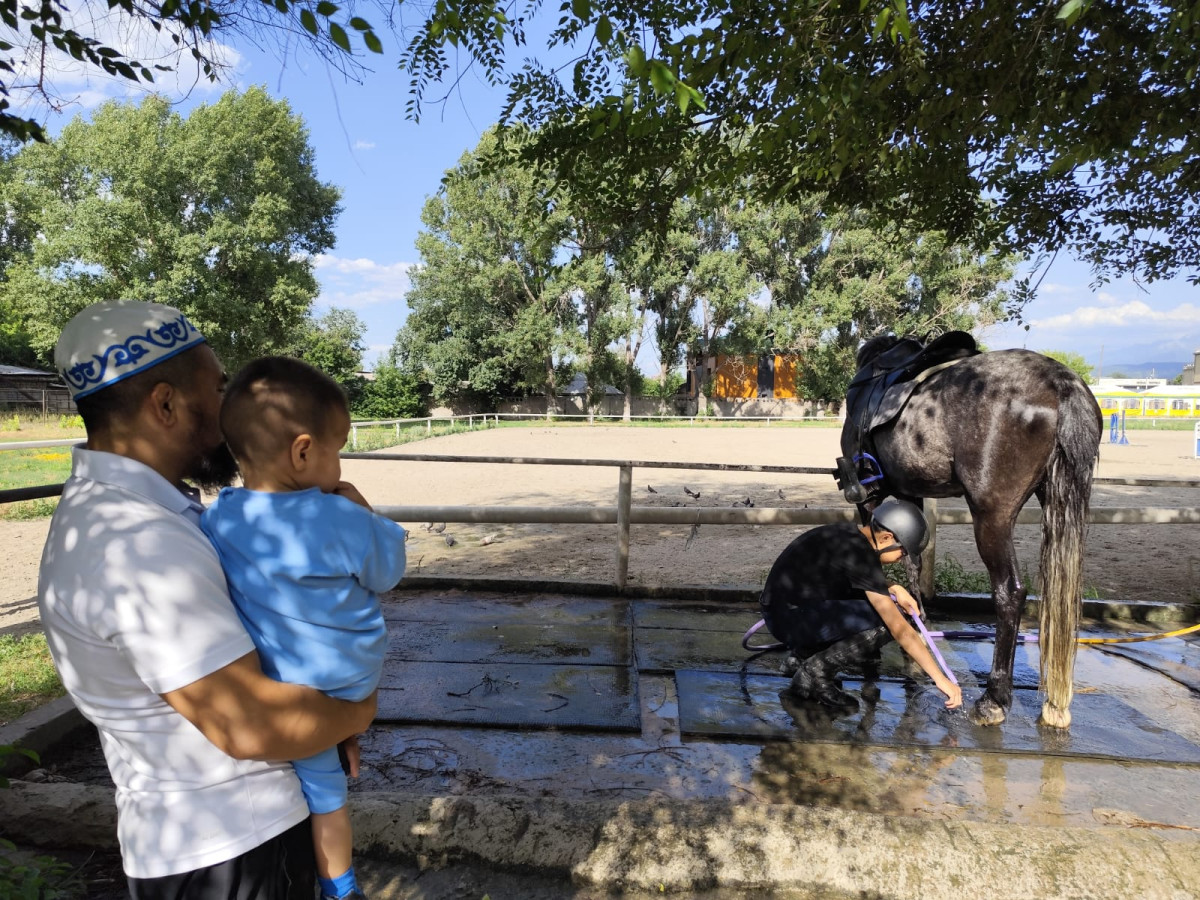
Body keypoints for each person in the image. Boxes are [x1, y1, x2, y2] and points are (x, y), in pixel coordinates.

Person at [39, 300, 377, 898]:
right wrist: (357, 709)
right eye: (218, 389)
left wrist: (316, 720)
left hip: (212, 840)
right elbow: (249, 725)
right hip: (233, 849)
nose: (230, 409)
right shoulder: (136, 545)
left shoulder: (139, 514)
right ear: (165, 404)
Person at [200, 356, 407, 900]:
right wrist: (370, 516)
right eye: (337, 449)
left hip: (282, 682)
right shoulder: (340, 515)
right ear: (303, 450)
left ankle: (338, 885)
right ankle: (341, 887)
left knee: (319, 790)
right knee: (331, 799)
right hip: (348, 679)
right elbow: (387, 574)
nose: (339, 463)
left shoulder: (218, 517)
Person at [759, 498, 963, 713]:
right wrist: (940, 679)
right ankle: (816, 671)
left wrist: (894, 587)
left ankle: (800, 658)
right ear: (887, 537)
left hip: (780, 612)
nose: (902, 559)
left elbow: (852, 577)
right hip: (790, 621)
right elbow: (901, 630)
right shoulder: (861, 556)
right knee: (887, 621)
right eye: (903, 553)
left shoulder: (848, 537)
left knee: (863, 605)